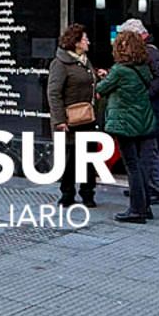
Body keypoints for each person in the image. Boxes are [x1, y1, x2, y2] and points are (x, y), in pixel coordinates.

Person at [96, 23, 158, 224]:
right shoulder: (143, 68)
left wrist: (104, 78)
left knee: (132, 166)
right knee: (141, 164)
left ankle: (136, 210)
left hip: (125, 122)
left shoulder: (119, 70)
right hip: (143, 120)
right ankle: (145, 206)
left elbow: (101, 89)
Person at [46, 23, 99, 208]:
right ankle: (67, 193)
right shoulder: (60, 64)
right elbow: (54, 93)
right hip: (70, 119)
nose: (88, 42)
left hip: (87, 116)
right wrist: (59, 120)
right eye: (85, 39)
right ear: (76, 42)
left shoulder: (84, 61)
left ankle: (88, 192)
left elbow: (88, 82)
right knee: (69, 158)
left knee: (88, 156)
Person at [132, 20, 159, 206]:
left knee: (149, 149)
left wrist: (144, 95)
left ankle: (154, 188)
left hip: (152, 107)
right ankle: (144, 186)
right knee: (144, 148)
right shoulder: (145, 51)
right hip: (149, 107)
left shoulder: (150, 52)